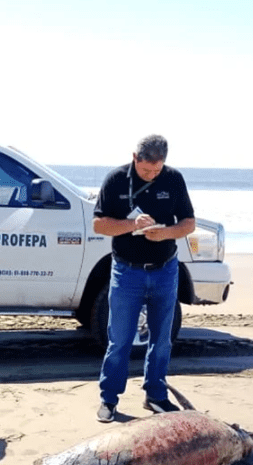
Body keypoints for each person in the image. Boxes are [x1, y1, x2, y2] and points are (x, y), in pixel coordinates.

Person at [92, 134, 196, 423]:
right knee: (120, 339)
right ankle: (109, 399)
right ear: (134, 158)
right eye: (145, 169)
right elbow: (99, 224)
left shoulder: (173, 179)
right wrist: (130, 225)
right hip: (127, 272)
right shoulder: (115, 180)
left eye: (156, 170)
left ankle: (155, 395)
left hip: (165, 269)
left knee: (161, 338)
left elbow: (189, 223)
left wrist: (166, 232)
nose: (151, 175)